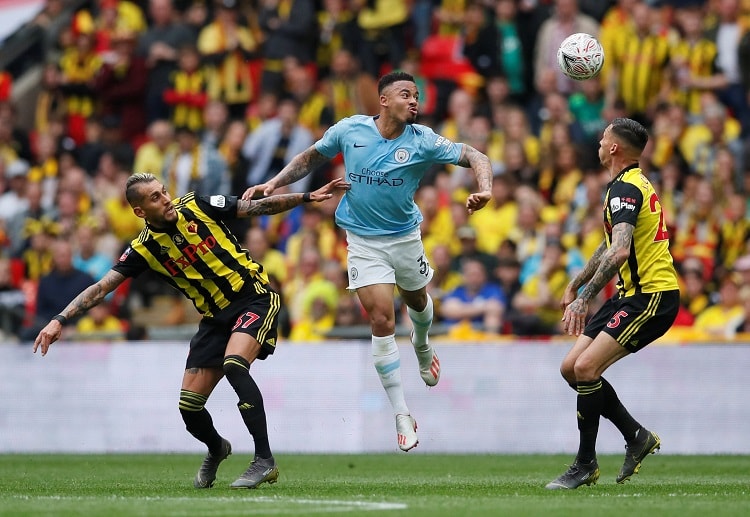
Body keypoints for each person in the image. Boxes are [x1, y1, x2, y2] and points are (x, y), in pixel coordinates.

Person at [33, 172, 348, 489]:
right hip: (214, 319)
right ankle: (217, 448)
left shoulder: (198, 205)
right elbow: (102, 288)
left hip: (254, 298)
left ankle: (264, 461)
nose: (166, 198)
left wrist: (306, 197)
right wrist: (60, 318)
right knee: (189, 407)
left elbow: (257, 208)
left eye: (164, 191)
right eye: (155, 197)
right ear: (140, 211)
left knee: (235, 365)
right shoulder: (144, 249)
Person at [242, 71, 493, 451]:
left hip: (405, 237)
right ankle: (401, 414)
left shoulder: (423, 140)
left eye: (417, 95)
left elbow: (476, 154)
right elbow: (311, 156)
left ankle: (422, 344)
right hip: (362, 240)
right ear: (384, 100)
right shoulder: (350, 130)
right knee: (381, 318)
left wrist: (485, 188)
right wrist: (275, 183)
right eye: (406, 94)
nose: (414, 101)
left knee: (418, 303)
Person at [546, 118, 680, 490]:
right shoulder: (626, 186)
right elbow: (611, 244)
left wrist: (584, 300)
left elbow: (620, 251)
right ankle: (636, 436)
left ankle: (585, 464)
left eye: (604, 138)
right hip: (630, 294)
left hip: (652, 297)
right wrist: (576, 283)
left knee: (587, 367)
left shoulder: (626, 190)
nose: (599, 143)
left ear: (615, 148)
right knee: (571, 368)